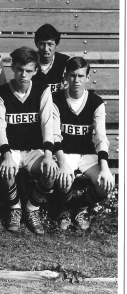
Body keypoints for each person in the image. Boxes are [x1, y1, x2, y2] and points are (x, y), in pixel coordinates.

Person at [0, 47, 58, 235]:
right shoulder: (0, 92)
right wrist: (6, 155)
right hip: (11, 149)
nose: (23, 75)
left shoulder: (42, 90)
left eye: (29, 71)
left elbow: (48, 123)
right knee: (6, 169)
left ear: (35, 71)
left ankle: (31, 209)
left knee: (50, 171)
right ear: (12, 67)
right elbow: (0, 128)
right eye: (20, 69)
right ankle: (15, 208)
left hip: (33, 150)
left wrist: (48, 154)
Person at [52, 57, 114, 231]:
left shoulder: (96, 102)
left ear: (87, 77)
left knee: (105, 184)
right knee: (63, 178)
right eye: (72, 75)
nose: (76, 80)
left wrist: (105, 167)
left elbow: (101, 137)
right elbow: (55, 135)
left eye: (80, 76)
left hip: (86, 153)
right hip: (65, 153)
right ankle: (64, 210)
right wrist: (62, 164)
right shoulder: (56, 99)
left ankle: (79, 207)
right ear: (66, 76)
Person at [33, 24, 70, 93]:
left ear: (57, 45)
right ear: (36, 44)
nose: (46, 49)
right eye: (42, 44)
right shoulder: (30, 60)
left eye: (50, 44)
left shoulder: (65, 62)